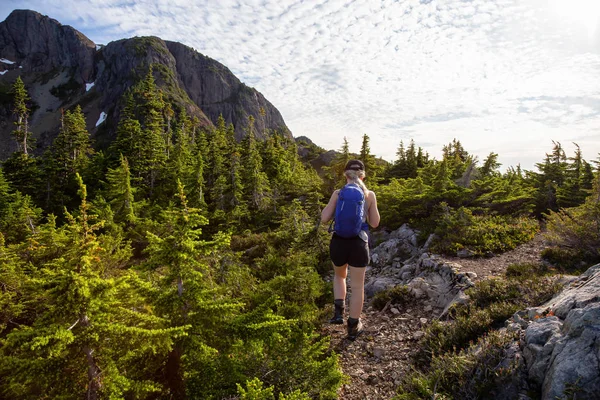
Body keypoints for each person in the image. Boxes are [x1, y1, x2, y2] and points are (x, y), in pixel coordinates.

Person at [321, 159, 380, 340]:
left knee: (340, 276)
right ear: (363, 175)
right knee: (357, 286)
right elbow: (375, 223)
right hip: (359, 244)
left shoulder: (338, 193)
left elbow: (324, 218)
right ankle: (353, 326)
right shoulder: (369, 195)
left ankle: (338, 314)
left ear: (345, 175)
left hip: (338, 243)